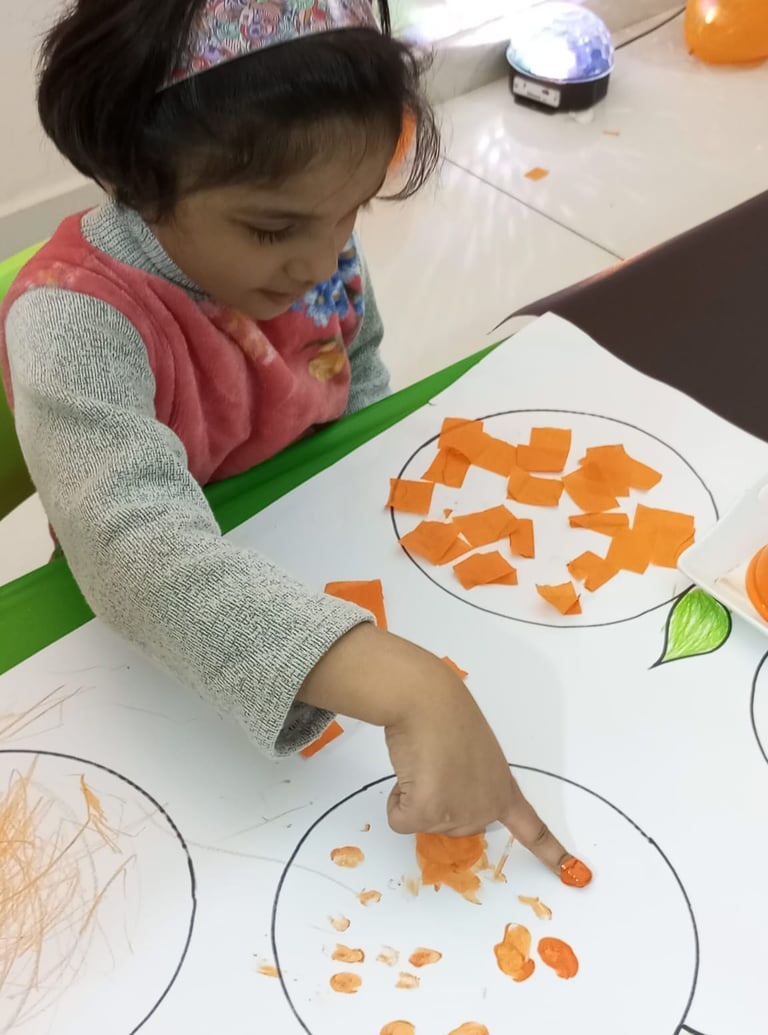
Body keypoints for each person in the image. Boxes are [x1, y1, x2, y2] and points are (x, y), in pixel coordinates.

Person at [0, 0, 585, 880]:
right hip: (149, 625)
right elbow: (134, 556)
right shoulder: (74, 319)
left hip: (311, 553)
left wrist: (376, 508)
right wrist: (404, 681)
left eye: (351, 210)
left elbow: (361, 370)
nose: (321, 261)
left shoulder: (311, 236)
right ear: (138, 176)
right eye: (272, 229)